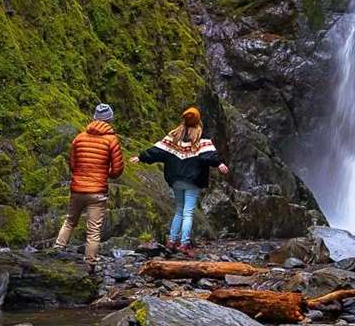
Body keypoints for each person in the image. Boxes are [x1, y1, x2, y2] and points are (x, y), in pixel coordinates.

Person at [131, 106, 228, 255]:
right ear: (198, 120)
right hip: (193, 181)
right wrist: (219, 163)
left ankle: (171, 241)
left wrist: (141, 157)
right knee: (188, 212)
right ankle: (184, 244)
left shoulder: (174, 137)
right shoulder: (201, 138)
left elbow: (157, 151)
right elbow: (210, 155)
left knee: (179, 211)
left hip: (176, 180)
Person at [54, 103, 124, 272]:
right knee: (93, 230)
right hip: (97, 192)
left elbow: (72, 164)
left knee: (70, 221)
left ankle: (56, 250)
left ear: (94, 118)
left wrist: (82, 173)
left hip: (77, 189)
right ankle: (90, 264)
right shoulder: (111, 140)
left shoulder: (79, 138)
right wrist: (104, 173)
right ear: (110, 120)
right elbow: (117, 170)